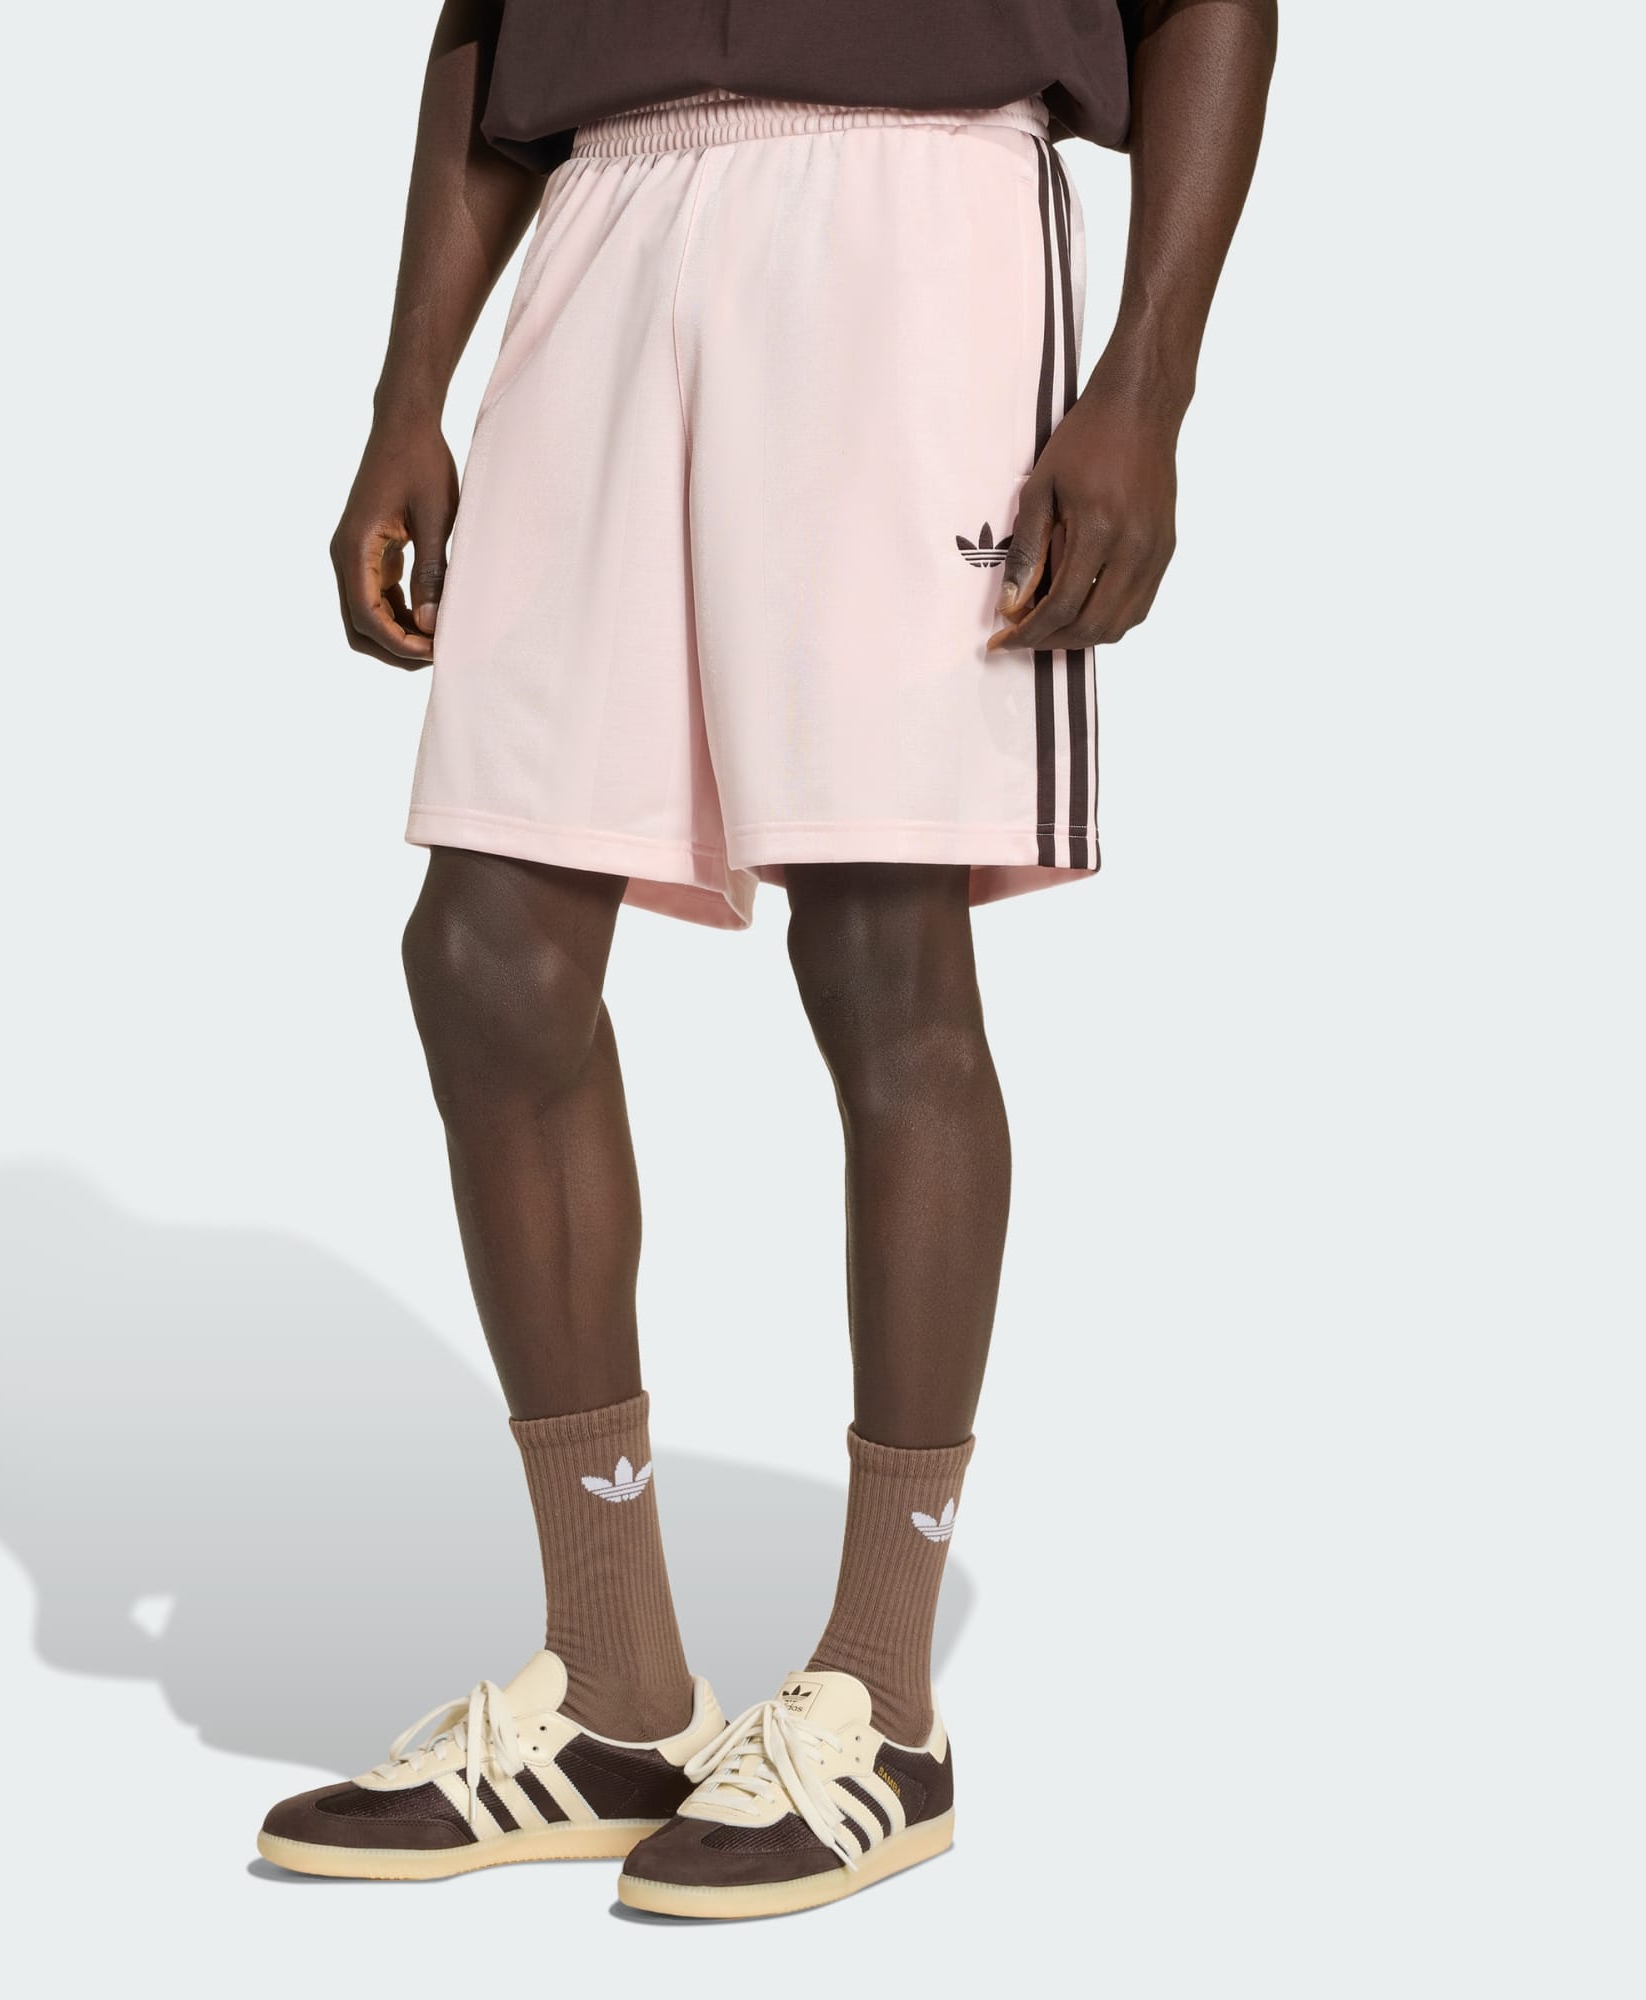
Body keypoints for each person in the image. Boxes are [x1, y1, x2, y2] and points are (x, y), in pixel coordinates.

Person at [261, 0, 1275, 1918]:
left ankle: (884, 1699)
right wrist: (408, 393)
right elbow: (484, 32)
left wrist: (1148, 381)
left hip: (909, 216)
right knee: (486, 955)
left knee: (885, 952)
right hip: (602, 222)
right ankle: (613, 1694)